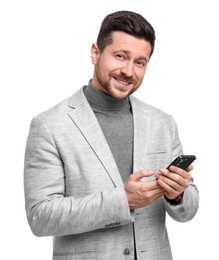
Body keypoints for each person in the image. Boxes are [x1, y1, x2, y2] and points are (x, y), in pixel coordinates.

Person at [24, 10, 199, 260]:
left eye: (140, 62)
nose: (129, 71)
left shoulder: (163, 123)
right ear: (96, 53)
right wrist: (122, 200)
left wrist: (178, 194)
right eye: (120, 56)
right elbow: (40, 217)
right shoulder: (49, 125)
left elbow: (188, 210)